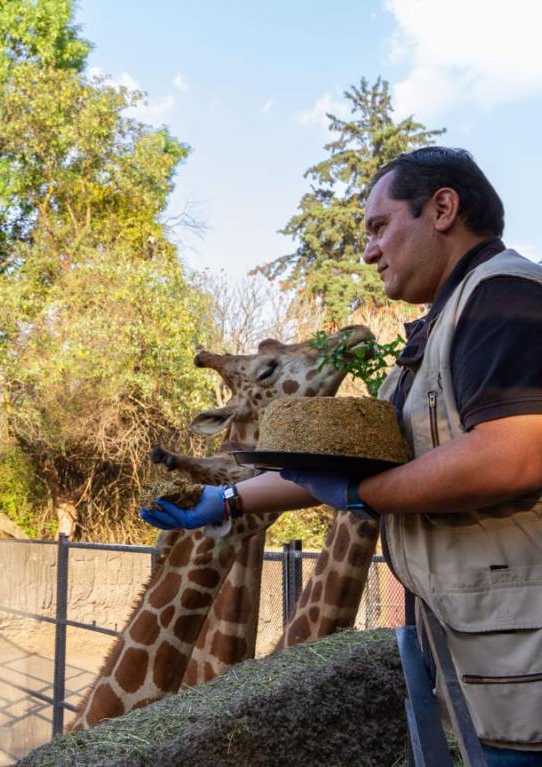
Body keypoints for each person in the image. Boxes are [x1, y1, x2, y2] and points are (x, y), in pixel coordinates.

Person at [142, 147, 542, 764]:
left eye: (380, 227)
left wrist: (364, 496)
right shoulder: (440, 325)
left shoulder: (503, 298)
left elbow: (514, 455)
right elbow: (342, 470)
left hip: (525, 656)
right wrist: (225, 499)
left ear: (442, 209)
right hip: (481, 648)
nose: (368, 250)